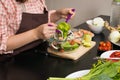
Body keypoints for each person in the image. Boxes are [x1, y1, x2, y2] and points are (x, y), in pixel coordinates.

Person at [0, 0, 75, 57]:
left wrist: (57, 14)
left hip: (37, 52)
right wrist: (35, 34)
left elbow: (38, 21)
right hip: (10, 61)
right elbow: (2, 44)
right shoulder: (4, 3)